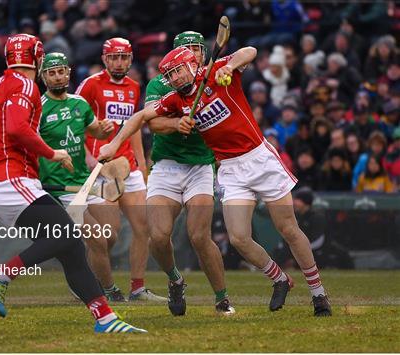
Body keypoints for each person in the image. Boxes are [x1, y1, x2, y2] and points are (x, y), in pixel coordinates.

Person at [98, 46, 332, 316]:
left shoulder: (215, 74)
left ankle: (318, 295)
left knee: (288, 228)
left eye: (179, 71)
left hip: (259, 158)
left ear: (192, 66)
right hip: (230, 169)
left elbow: (250, 51)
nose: (175, 78)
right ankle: (279, 279)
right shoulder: (174, 100)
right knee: (239, 238)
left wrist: (229, 68)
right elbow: (141, 117)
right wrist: (115, 144)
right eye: (170, 75)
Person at [0, 34, 145, 333]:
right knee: (67, 236)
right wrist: (51, 153)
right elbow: (16, 128)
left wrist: (3, 149)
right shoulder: (25, 86)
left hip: (3, 181)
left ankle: (106, 318)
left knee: (71, 247)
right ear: (37, 58)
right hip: (14, 179)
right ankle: (1, 274)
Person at [142, 31, 234, 316]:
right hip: (166, 166)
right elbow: (152, 122)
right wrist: (176, 123)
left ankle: (222, 299)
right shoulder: (159, 84)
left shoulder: (212, 78)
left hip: (200, 167)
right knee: (158, 237)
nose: (193, 54)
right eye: (187, 50)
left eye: (197, 49)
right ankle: (175, 280)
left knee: (198, 236)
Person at [75, 37, 164, 302]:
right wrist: (89, 158)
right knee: (108, 235)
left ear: (131, 59)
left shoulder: (134, 87)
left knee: (144, 227)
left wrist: (142, 164)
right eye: (113, 57)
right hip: (103, 168)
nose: (119, 62)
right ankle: (90, 283)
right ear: (104, 59)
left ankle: (137, 288)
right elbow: (73, 120)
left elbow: (133, 126)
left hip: (129, 167)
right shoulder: (91, 84)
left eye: (123, 57)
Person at [37, 52, 124, 300]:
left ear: (68, 72)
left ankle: (82, 281)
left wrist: (104, 128)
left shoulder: (80, 104)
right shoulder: (39, 109)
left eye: (61, 71)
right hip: (60, 188)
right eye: (51, 73)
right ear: (44, 77)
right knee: (97, 239)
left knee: (110, 237)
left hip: (86, 181)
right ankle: (108, 291)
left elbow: (95, 132)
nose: (57, 77)